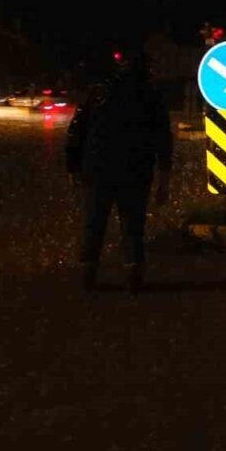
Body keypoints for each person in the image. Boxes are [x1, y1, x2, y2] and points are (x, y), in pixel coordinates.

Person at [66, 49, 173, 293]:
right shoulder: (152, 96)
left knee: (93, 223)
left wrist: (72, 168)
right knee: (133, 225)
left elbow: (75, 132)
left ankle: (88, 277)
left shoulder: (98, 93)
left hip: (97, 169)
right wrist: (164, 178)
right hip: (136, 170)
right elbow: (163, 139)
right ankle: (133, 278)